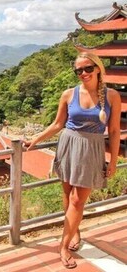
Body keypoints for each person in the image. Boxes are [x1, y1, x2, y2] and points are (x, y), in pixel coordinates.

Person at [23, 52, 121, 269]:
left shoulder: (112, 96)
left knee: (78, 200)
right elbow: (58, 124)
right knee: (68, 195)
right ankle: (74, 231)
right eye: (79, 70)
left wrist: (112, 161)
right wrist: (34, 140)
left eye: (87, 68)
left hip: (93, 149)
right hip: (69, 145)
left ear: (97, 68)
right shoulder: (68, 94)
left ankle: (63, 245)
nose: (83, 73)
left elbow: (114, 131)